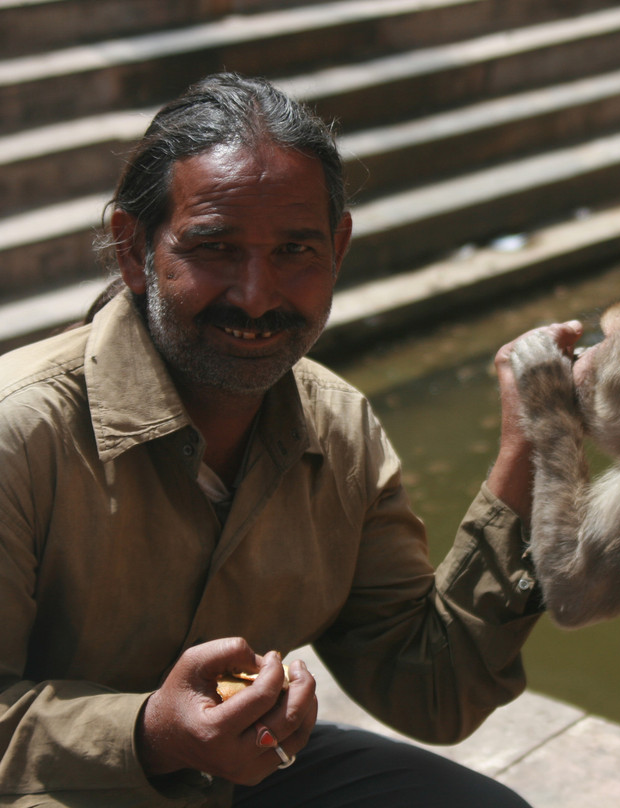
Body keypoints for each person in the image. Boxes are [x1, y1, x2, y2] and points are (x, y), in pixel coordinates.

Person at [0, 73, 583, 807]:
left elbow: (432, 691)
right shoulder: (17, 433)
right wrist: (148, 734)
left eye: (295, 251)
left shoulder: (339, 430)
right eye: (214, 247)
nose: (257, 295)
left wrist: (531, 446)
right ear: (132, 249)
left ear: (338, 248)